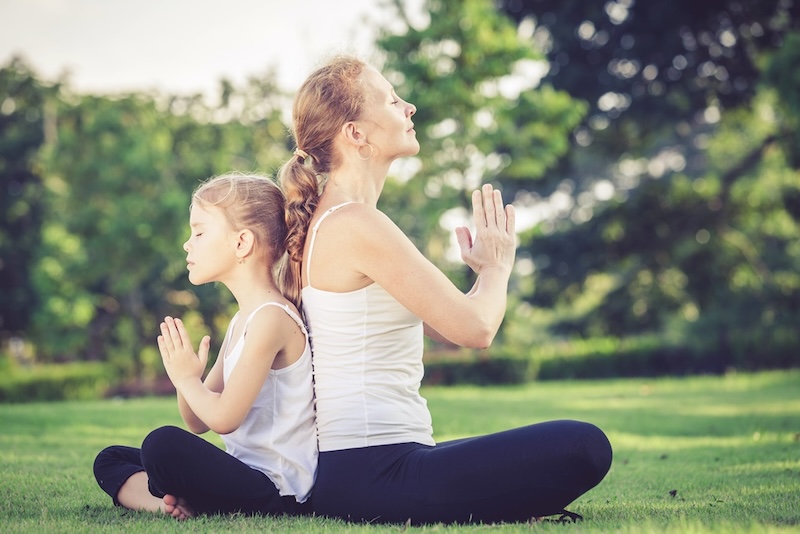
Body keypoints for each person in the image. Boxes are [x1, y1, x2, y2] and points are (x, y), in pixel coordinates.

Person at [278, 55, 612, 525]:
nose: (409, 107)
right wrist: (497, 268)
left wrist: (480, 278)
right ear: (356, 133)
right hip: (374, 472)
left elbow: (441, 325)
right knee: (584, 445)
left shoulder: (341, 219)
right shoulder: (355, 222)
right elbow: (476, 329)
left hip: (376, 466)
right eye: (393, 100)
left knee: (537, 451)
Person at [93, 173, 317, 519]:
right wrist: (191, 380)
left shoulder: (271, 319)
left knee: (161, 445)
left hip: (277, 491)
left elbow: (224, 418)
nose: (188, 243)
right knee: (111, 458)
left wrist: (186, 381)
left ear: (242, 243)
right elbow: (197, 421)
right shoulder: (243, 319)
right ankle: (170, 506)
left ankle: (185, 501)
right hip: (243, 474)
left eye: (199, 232)